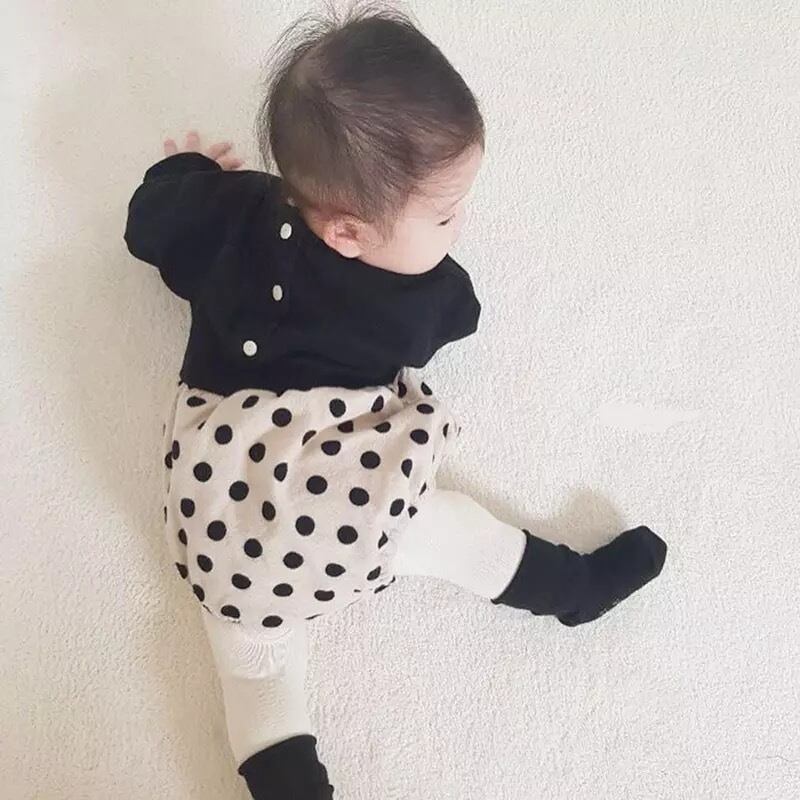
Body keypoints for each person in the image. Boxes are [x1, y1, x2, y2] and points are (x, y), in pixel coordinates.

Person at [123, 7, 667, 798]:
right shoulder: (413, 301)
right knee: (452, 530)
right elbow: (462, 315)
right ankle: (574, 590)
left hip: (221, 515)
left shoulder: (223, 214)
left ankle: (288, 783)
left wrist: (185, 173)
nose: (459, 224)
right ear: (347, 234)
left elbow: (148, 224)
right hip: (344, 506)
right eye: (444, 214)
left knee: (256, 673)